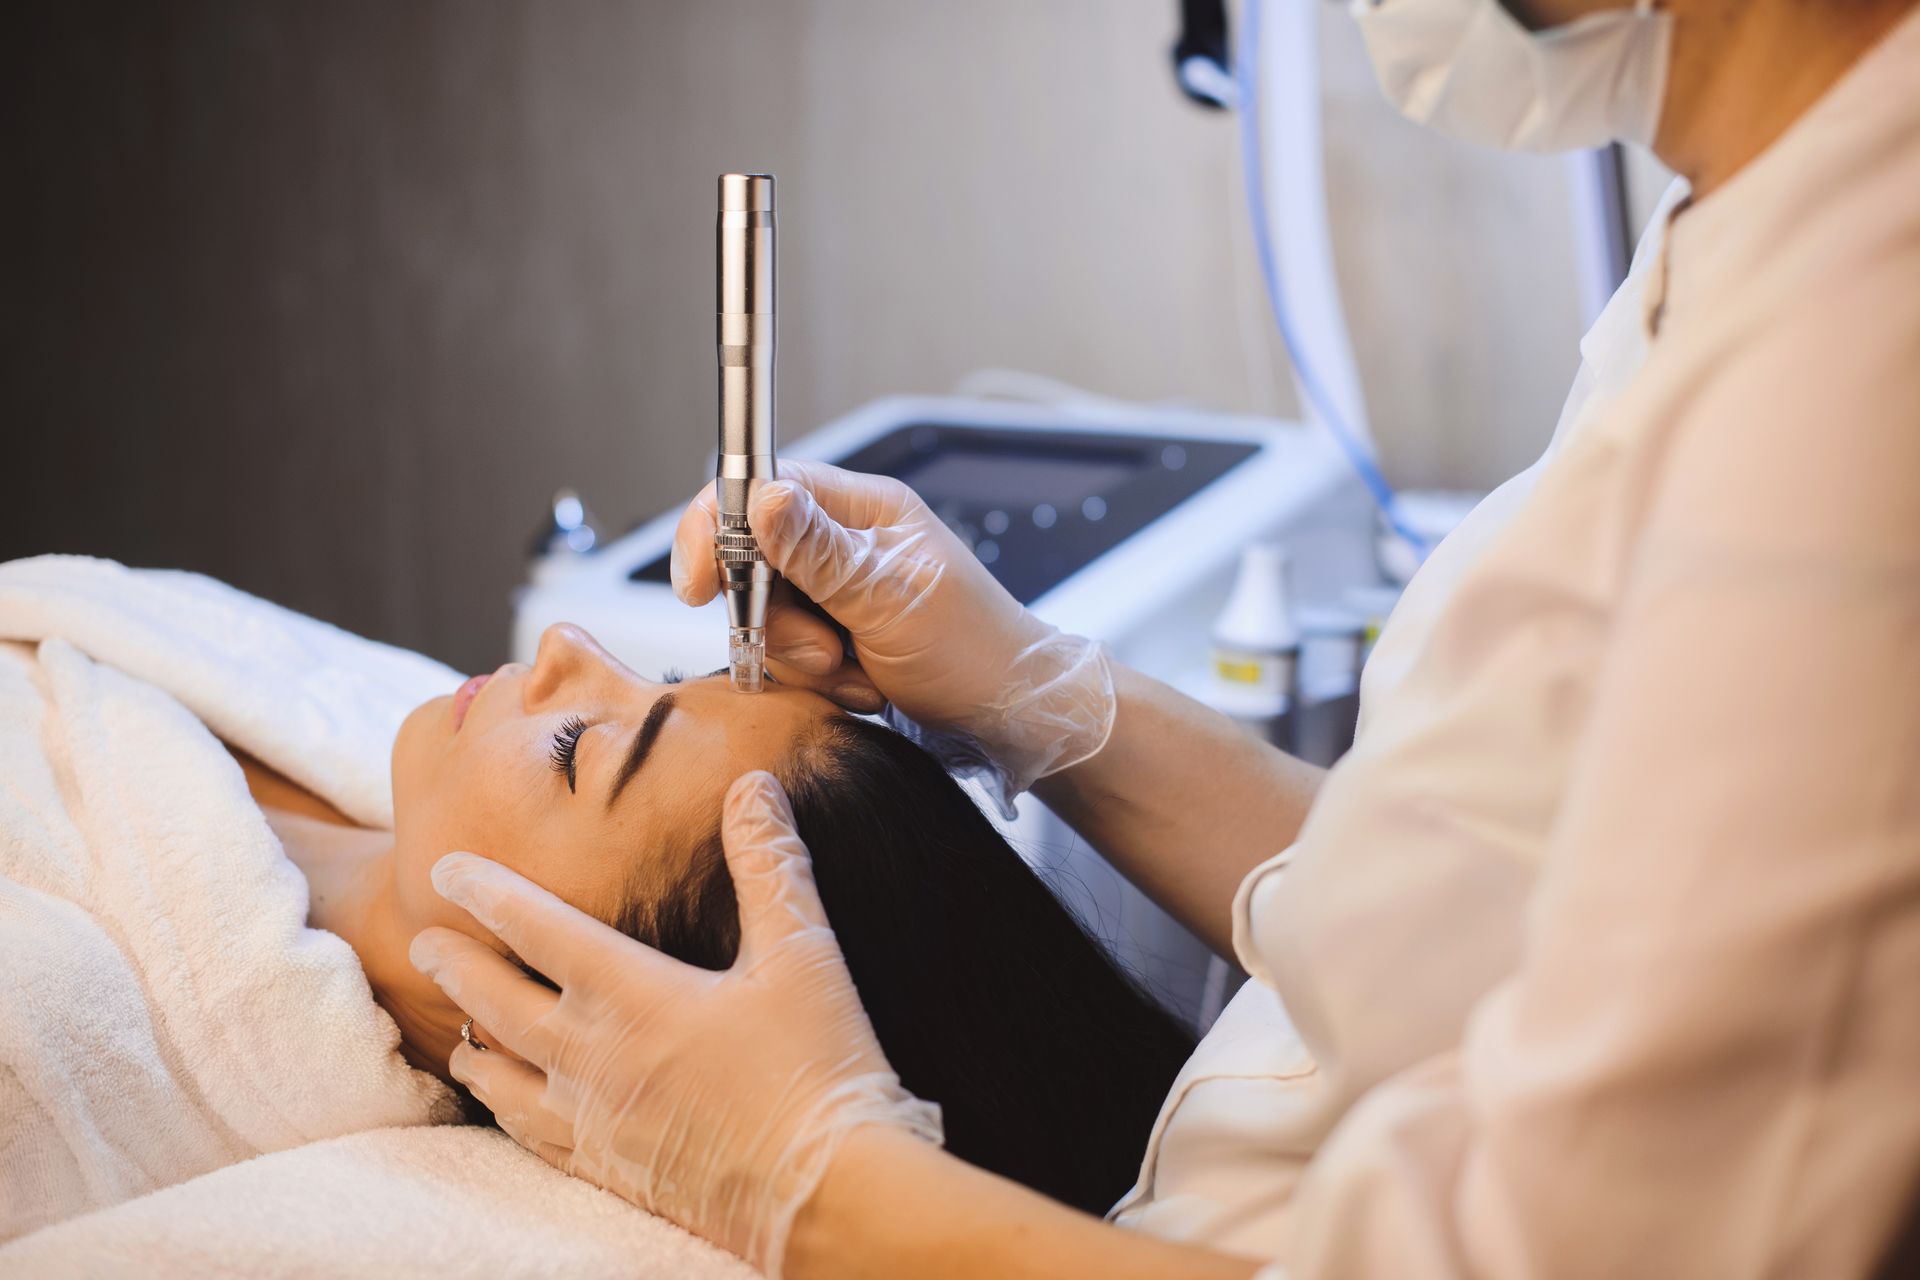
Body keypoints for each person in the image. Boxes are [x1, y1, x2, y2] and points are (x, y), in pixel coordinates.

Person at [414, 1, 1920, 1277]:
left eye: (603, 733)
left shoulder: (1857, 382)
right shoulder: (1756, 218)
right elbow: (1494, 918)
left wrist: (826, 1193)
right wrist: (1039, 697)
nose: (569, 662)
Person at [0, 556, 1191, 1236]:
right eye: (668, 679)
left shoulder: (62, 1041)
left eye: (578, 748)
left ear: (598, 1011)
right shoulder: (369, 717)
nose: (566, 639)